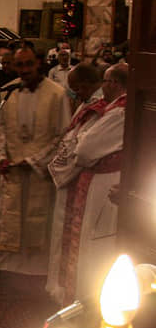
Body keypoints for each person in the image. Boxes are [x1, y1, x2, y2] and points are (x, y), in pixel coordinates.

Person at [0, 47, 71, 276]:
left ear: (38, 63)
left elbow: (64, 135)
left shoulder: (57, 94)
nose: (25, 70)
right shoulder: (9, 91)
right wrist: (1, 158)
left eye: (29, 64)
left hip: (41, 170)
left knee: (39, 217)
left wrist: (34, 161)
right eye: (20, 65)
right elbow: (3, 130)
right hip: (13, 168)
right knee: (8, 216)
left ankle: (36, 269)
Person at [49, 64, 128, 304]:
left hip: (105, 184)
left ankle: (86, 298)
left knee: (93, 246)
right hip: (99, 181)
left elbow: (84, 151)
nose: (101, 87)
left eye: (104, 81)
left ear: (114, 83)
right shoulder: (110, 108)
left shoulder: (121, 111)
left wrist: (81, 146)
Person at [46, 63, 106, 303]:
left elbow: (84, 148)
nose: (73, 93)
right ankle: (59, 287)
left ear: (85, 85)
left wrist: (61, 168)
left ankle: (70, 292)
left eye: (75, 88)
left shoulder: (100, 108)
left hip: (80, 178)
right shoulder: (86, 103)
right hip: (70, 173)